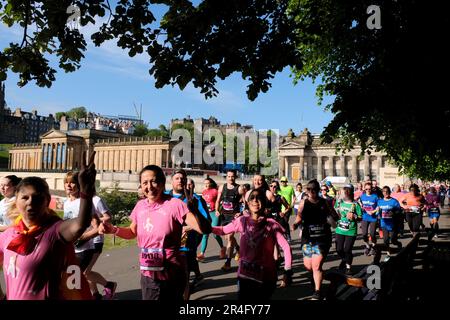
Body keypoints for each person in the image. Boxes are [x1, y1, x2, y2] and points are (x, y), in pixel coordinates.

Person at [100, 165, 211, 301]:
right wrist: (113, 229)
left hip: (172, 273)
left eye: (154, 181)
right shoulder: (140, 206)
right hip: (148, 275)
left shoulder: (175, 204)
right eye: (145, 183)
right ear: (141, 185)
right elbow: (132, 232)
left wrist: (196, 211)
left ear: (162, 183)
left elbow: (204, 229)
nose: (150, 186)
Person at [0, 151, 96, 300]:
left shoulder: (55, 231)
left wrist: (86, 192)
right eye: (25, 197)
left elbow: (80, 224)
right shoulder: (8, 234)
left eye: (37, 198)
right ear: (16, 200)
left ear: (47, 200)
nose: (30, 202)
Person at [212, 188, 292, 300]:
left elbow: (286, 248)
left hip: (265, 278)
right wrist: (201, 226)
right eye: (252, 198)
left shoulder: (272, 225)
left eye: (259, 198)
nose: (255, 200)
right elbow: (222, 230)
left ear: (264, 203)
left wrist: (287, 271)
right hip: (244, 276)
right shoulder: (241, 221)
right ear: (248, 203)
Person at [63, 172, 117, 300]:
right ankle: (96, 294)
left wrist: (88, 232)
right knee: (79, 275)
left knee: (79, 275)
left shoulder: (87, 202)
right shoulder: (66, 203)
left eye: (72, 182)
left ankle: (107, 286)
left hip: (86, 245)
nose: (69, 185)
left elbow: (98, 222)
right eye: (66, 182)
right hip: (71, 245)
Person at [292, 180, 339, 300]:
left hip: (322, 238)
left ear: (317, 191)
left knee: (316, 265)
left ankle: (317, 291)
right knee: (308, 265)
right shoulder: (304, 203)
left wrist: (331, 218)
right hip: (308, 238)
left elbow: (334, 216)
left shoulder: (325, 202)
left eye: (313, 190)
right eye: (308, 190)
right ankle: (316, 277)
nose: (311, 192)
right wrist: (296, 224)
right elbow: (299, 216)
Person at [169, 173, 210, 297]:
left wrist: (187, 227)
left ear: (186, 181)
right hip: (167, 245)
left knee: (184, 277)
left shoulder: (195, 199)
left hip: (186, 245)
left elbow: (206, 222)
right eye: (177, 178)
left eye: (182, 178)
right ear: (171, 181)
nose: (180, 180)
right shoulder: (164, 196)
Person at [215, 169, 244, 271]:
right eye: (229, 176)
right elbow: (218, 200)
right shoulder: (222, 187)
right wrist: (216, 210)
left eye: (232, 176)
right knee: (227, 238)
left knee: (230, 238)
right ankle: (238, 249)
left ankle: (228, 262)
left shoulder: (239, 188)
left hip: (233, 217)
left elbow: (245, 202)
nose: (231, 178)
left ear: (235, 177)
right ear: (226, 177)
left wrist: (240, 212)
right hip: (224, 216)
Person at [334, 184, 363, 275]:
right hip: (339, 229)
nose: (340, 194)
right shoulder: (339, 202)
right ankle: (344, 259)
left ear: (347, 193)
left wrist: (354, 217)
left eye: (342, 193)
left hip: (351, 231)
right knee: (339, 249)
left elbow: (360, 217)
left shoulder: (355, 205)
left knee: (347, 249)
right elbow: (335, 212)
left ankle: (348, 267)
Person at [198, 177, 226, 262]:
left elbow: (222, 200)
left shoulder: (215, 191)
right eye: (205, 183)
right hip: (207, 215)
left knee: (215, 233)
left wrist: (219, 210)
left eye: (208, 183)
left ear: (211, 184)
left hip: (214, 214)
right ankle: (202, 254)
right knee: (205, 234)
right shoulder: (203, 192)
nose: (206, 185)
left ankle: (222, 248)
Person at [377, 186, 403, 262]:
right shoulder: (380, 201)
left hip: (393, 223)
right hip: (384, 223)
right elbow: (378, 211)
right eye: (384, 191)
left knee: (393, 239)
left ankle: (398, 244)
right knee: (385, 240)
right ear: (382, 192)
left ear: (390, 192)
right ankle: (388, 254)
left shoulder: (394, 201)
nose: (386, 193)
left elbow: (399, 211)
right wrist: (378, 213)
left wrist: (394, 213)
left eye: (387, 191)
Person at [359, 182, 380, 256]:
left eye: (369, 189)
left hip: (373, 218)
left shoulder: (375, 197)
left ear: (372, 189)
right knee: (364, 234)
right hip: (365, 217)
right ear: (364, 188)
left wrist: (373, 211)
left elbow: (378, 206)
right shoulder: (362, 196)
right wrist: (361, 207)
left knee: (372, 234)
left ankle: (374, 247)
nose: (368, 190)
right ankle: (368, 246)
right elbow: (360, 204)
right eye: (366, 189)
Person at [279, 176, 295, 241]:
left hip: (288, 208)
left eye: (284, 181)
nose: (283, 183)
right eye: (282, 181)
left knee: (285, 221)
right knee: (281, 222)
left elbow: (294, 196)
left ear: (286, 182)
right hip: (280, 208)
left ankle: (288, 235)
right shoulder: (279, 188)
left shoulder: (290, 188)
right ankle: (284, 234)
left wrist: (292, 204)